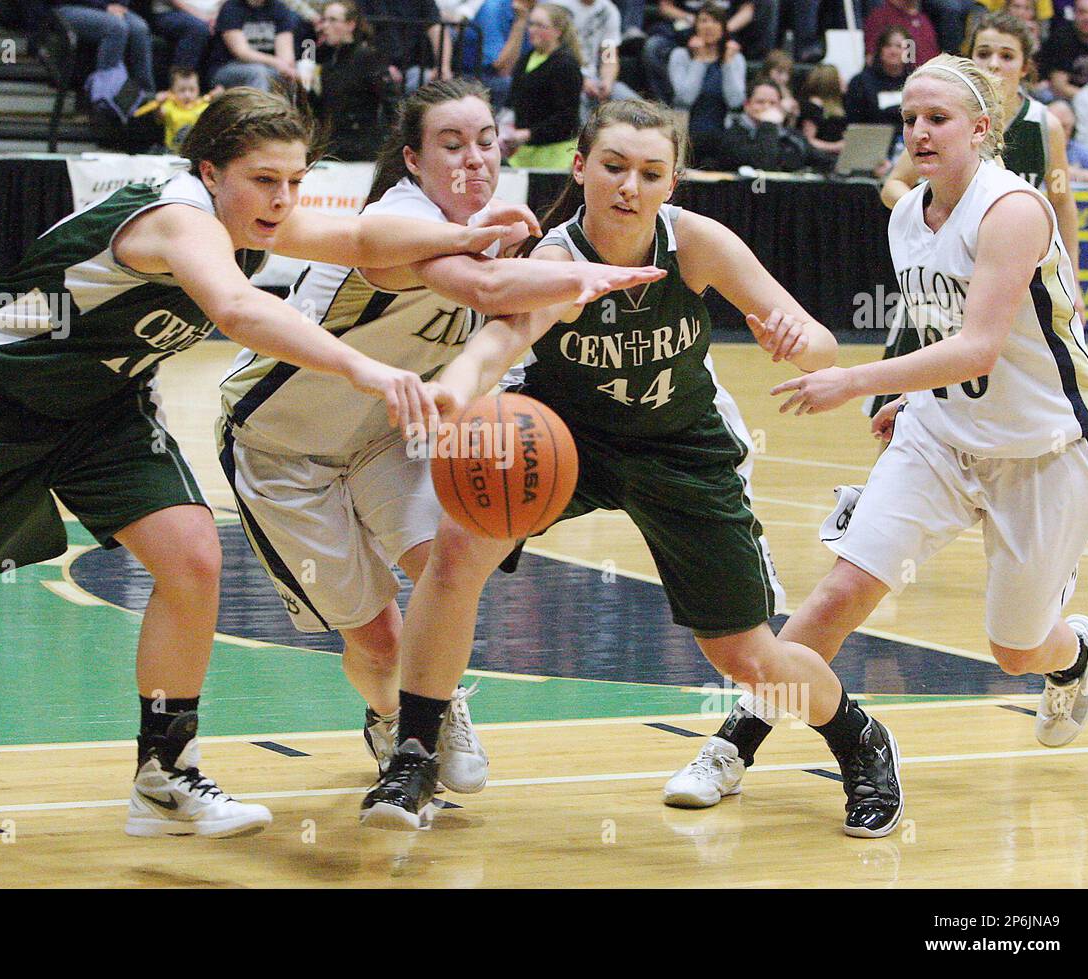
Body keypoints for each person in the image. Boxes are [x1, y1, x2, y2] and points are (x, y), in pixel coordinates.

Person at [0, 88, 520, 839]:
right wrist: (364, 369)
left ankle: (163, 774)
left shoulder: (254, 211)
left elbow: (360, 241)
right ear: (211, 171)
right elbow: (240, 311)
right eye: (264, 180)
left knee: (193, 557)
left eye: (294, 181)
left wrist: (466, 239)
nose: (282, 200)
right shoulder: (179, 219)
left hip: (106, 408)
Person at [360, 97, 907, 841]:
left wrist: (795, 336)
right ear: (581, 167)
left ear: (672, 181)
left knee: (747, 655)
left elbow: (816, 343)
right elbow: (498, 343)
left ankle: (858, 736)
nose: (629, 187)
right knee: (458, 545)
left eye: (651, 173)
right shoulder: (555, 258)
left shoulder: (698, 243)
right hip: (568, 438)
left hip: (681, 446)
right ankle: (415, 751)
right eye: (613, 167)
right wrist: (449, 392)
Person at [670, 54, 1088, 808]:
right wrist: (909, 389)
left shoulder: (1013, 209)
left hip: (1045, 447)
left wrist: (855, 379)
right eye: (909, 119)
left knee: (1015, 647)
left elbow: (978, 345)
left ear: (981, 127)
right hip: (941, 433)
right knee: (841, 590)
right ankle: (732, 743)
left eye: (937, 119)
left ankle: (1071, 657)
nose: (919, 132)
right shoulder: (909, 213)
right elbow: (932, 324)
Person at [218, 79, 658, 798]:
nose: (474, 159)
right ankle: (391, 712)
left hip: (388, 437)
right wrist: (583, 274)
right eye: (450, 145)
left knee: (447, 568)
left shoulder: (493, 228)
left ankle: (436, 711)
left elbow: (496, 331)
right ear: (414, 161)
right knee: (380, 644)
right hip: (281, 448)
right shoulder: (398, 220)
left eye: (485, 141)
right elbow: (485, 291)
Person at [878, 11, 1082, 412]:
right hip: (941, 278)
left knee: (1001, 392)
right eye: (984, 52)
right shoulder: (938, 117)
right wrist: (939, 207)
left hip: (1006, 277)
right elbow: (894, 184)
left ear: (1026, 66)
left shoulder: (1044, 124)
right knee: (905, 411)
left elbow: (1060, 200)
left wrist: (1072, 280)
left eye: (1006, 56)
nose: (993, 63)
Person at [502, 2, 582, 167]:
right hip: (525, 153)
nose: (532, 30)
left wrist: (528, 134)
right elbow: (512, 101)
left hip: (556, 156)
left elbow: (567, 117)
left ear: (557, 31)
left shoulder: (566, 65)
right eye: (531, 24)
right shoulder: (526, 59)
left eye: (540, 26)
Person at [310, 0, 391, 161]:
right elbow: (320, 110)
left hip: (360, 148)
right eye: (324, 20)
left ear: (350, 25)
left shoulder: (367, 57)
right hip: (332, 147)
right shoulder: (328, 61)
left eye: (332, 20)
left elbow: (390, 100)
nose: (325, 26)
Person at [667, 2, 747, 158]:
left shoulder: (735, 59)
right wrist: (699, 60)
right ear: (695, 26)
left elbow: (736, 101)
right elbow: (684, 98)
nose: (709, 26)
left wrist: (728, 64)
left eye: (715, 21)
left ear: (724, 28)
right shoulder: (680, 55)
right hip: (688, 131)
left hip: (723, 135)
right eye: (703, 21)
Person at [718, 77, 833, 170]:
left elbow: (817, 158)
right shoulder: (732, 135)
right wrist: (768, 124)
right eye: (760, 102)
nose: (767, 107)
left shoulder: (791, 136)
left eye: (773, 103)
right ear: (747, 105)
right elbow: (764, 164)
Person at [50, 0, 156, 94]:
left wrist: (120, 5)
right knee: (116, 27)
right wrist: (104, 7)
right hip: (69, 6)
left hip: (107, 8)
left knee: (140, 29)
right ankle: (106, 95)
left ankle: (146, 94)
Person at [205, 0, 300, 89]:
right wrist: (277, 63)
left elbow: (286, 55)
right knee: (258, 73)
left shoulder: (280, 9)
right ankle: (260, 107)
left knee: (294, 75)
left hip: (269, 68)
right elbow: (241, 52)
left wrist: (287, 68)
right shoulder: (231, 7)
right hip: (227, 67)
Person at [845, 24, 913, 131]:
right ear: (880, 50)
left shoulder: (915, 82)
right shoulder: (860, 82)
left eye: (899, 46)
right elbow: (854, 123)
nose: (893, 51)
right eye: (888, 46)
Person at [1038, 0, 1088, 100]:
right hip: (1062, 98)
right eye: (1082, 12)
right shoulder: (1061, 38)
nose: (1087, 18)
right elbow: (1059, 86)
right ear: (1074, 13)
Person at [149, 0, 224, 75]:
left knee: (226, 25)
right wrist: (203, 16)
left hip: (215, 12)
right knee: (197, 28)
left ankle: (219, 80)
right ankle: (183, 76)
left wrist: (220, 13)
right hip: (171, 11)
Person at [864, 0, 940, 70]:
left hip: (929, 75)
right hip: (898, 79)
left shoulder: (924, 19)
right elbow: (870, 58)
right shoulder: (880, 17)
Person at [1050, 96, 1088, 183]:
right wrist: (1063, 172)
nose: (1061, 132)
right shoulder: (1034, 150)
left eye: (1066, 127)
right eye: (1057, 126)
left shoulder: (1075, 149)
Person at [800, 62, 848, 156]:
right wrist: (836, 146)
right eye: (839, 78)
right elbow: (808, 140)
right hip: (820, 158)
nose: (843, 81)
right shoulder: (813, 107)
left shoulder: (838, 105)